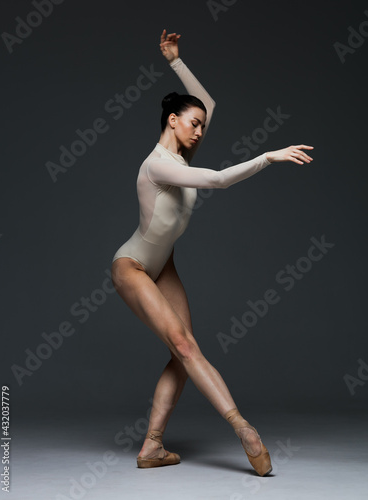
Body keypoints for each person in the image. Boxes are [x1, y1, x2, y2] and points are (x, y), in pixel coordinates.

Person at [111, 29, 314, 476]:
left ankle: (151, 448)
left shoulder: (180, 156)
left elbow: (208, 103)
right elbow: (220, 180)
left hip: (164, 266)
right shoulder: (158, 165)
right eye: (193, 123)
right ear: (171, 122)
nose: (201, 130)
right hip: (133, 266)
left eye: (202, 125)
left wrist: (176, 61)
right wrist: (268, 156)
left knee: (183, 355)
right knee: (184, 345)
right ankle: (243, 428)